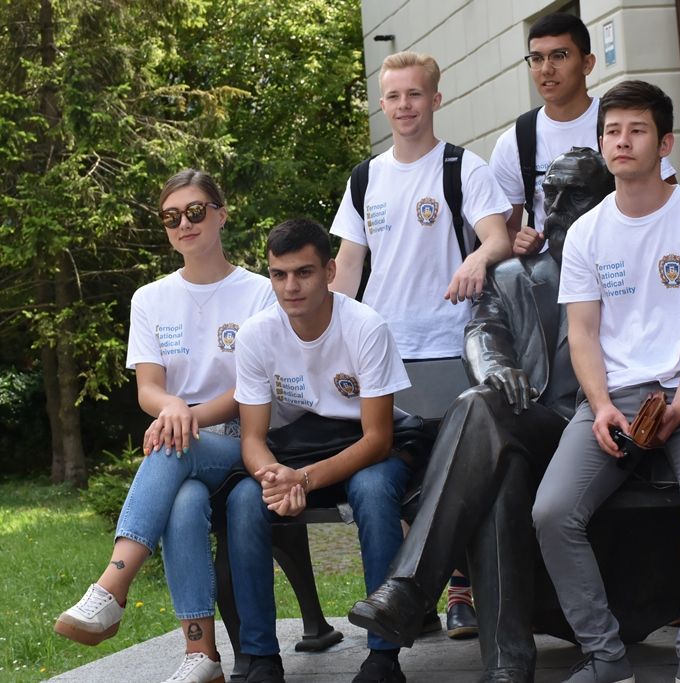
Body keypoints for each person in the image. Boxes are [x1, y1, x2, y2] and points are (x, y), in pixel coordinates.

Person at [348, 148, 611, 683]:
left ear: (605, 200)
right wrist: (495, 367)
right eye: (551, 195)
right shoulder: (515, 275)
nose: (559, 207)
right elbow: (482, 330)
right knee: (496, 449)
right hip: (531, 423)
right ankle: (506, 665)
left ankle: (413, 590)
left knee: (485, 433)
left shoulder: (622, 270)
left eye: (576, 195)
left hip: (594, 427)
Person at [532, 81, 680, 683]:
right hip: (611, 400)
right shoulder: (588, 232)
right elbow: (582, 334)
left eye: (636, 130)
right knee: (552, 512)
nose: (621, 141)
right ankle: (604, 654)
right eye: (612, 131)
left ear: (664, 143)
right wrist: (599, 407)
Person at [54, 169, 276, 683]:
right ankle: (202, 654)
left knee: (173, 447)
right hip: (181, 439)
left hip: (243, 439)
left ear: (221, 214)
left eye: (195, 211)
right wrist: (173, 407)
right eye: (171, 217)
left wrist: (184, 417)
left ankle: (112, 586)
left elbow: (253, 389)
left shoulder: (260, 294)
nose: (184, 224)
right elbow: (148, 389)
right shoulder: (150, 298)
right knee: (184, 501)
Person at [329, 50, 512, 635]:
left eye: (414, 94)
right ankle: (412, 601)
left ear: (435, 98)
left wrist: (477, 259)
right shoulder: (365, 178)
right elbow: (348, 268)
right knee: (398, 471)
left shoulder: (463, 168)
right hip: (384, 352)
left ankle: (460, 591)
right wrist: (328, 337)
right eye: (393, 96)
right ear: (382, 104)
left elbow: (498, 237)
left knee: (454, 471)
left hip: (451, 346)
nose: (404, 105)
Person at [234, 218, 417, 683]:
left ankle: (384, 657)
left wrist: (304, 479)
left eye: (304, 272)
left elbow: (378, 439)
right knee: (243, 500)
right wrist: (274, 478)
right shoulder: (256, 333)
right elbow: (252, 439)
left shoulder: (365, 326)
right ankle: (260, 658)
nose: (290, 287)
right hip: (296, 452)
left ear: (330, 271)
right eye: (279, 275)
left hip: (367, 450)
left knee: (373, 492)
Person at [489, 12, 675, 257]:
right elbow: (503, 231)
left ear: (587, 63)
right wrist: (520, 241)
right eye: (536, 58)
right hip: (553, 272)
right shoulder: (516, 140)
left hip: (624, 262)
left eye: (559, 56)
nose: (546, 69)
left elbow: (668, 201)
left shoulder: (618, 123)